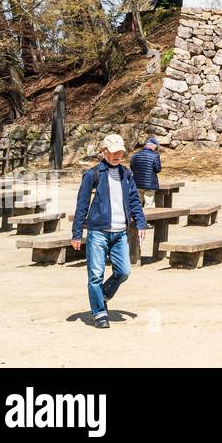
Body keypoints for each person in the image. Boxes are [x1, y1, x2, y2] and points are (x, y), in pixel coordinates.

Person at [70, 134, 148, 329]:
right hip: (98, 231)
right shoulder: (92, 174)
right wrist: (77, 233)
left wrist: (140, 222)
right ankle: (99, 313)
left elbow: (134, 200)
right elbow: (82, 204)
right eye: (114, 152)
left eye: (120, 152)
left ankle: (102, 295)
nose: (117, 155)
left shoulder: (126, 174)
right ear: (104, 152)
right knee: (95, 274)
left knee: (124, 271)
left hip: (120, 232)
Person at [129, 137, 161, 208]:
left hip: (137, 183)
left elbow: (132, 167)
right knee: (149, 206)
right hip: (149, 184)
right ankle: (149, 219)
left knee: (137, 205)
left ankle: (136, 219)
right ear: (154, 146)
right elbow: (158, 169)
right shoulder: (155, 156)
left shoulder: (135, 155)